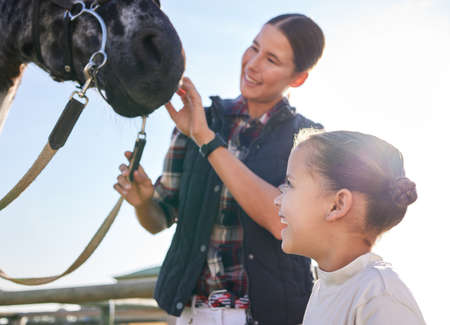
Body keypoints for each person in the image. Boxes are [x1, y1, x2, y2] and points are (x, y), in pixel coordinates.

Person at [114, 13, 325, 325]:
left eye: (271, 59)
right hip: (192, 313)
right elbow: (157, 221)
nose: (252, 64)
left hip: (270, 316)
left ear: (298, 78)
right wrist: (144, 202)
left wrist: (206, 139)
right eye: (253, 48)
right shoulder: (200, 118)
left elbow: (282, 223)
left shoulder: (308, 141)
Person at [275, 130, 426, 325]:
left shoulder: (379, 296)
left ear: (337, 205)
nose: (277, 200)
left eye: (290, 184)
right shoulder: (324, 289)